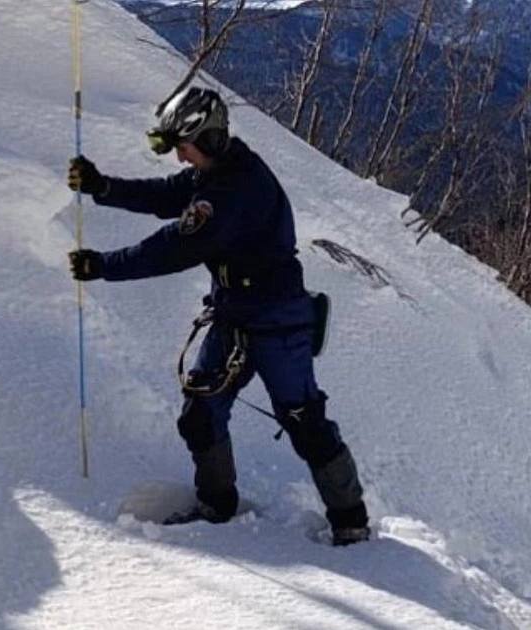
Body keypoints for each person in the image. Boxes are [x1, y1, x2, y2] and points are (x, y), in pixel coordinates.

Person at [65, 86, 370, 546]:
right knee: (201, 413)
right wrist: (102, 188)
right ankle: (217, 507)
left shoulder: (234, 189)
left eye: (183, 148)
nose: (181, 160)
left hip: (279, 322)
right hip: (233, 315)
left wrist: (104, 265)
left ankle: (351, 522)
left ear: (206, 140)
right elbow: (168, 196)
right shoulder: (221, 167)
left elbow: (175, 247)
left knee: (304, 420)